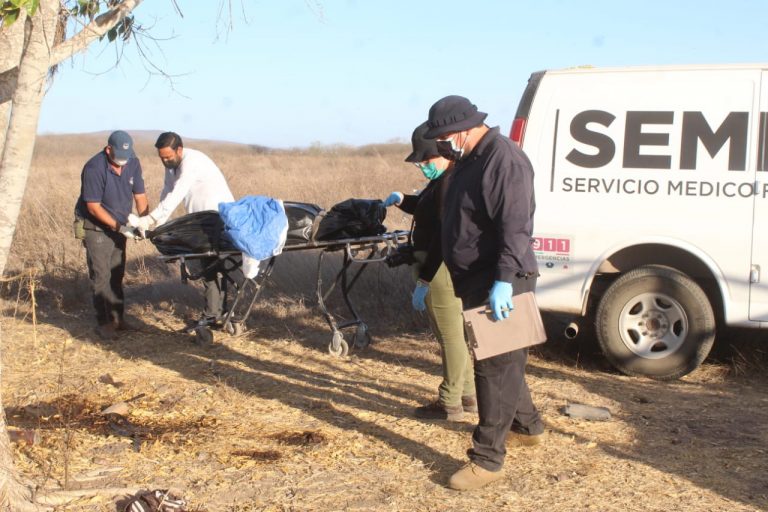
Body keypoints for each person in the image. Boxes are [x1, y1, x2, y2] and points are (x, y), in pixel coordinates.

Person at [423, 95, 545, 491]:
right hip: (476, 278)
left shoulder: (503, 160)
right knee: (505, 358)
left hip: (499, 279)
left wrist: (504, 279)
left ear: (462, 130)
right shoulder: (469, 159)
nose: (441, 145)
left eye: (443, 138)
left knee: (493, 368)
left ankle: (487, 460)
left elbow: (516, 226)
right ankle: (527, 426)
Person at [382, 122, 476, 421]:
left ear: (444, 153)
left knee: (449, 337)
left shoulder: (448, 182)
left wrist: (425, 277)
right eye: (419, 162)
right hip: (437, 268)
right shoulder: (446, 180)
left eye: (427, 160)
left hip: (438, 269)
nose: (422, 166)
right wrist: (403, 201)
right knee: (454, 334)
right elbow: (429, 211)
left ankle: (449, 402)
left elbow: (443, 238)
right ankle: (469, 394)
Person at [128, 132, 242, 329]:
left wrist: (149, 219)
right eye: (162, 158)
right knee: (210, 266)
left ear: (179, 150)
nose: (165, 161)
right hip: (202, 221)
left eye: (168, 157)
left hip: (217, 218)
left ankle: (214, 315)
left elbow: (177, 194)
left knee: (211, 266)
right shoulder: (172, 166)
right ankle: (216, 314)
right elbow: (167, 192)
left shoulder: (192, 162)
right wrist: (155, 226)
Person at [75, 130, 148, 340]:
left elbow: (140, 196)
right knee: (101, 275)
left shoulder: (133, 162)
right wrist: (120, 228)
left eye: (126, 158)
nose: (122, 163)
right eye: (118, 158)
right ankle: (104, 323)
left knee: (117, 274)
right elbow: (93, 207)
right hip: (96, 228)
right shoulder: (94, 168)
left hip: (120, 226)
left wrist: (144, 222)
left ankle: (118, 319)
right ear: (108, 150)